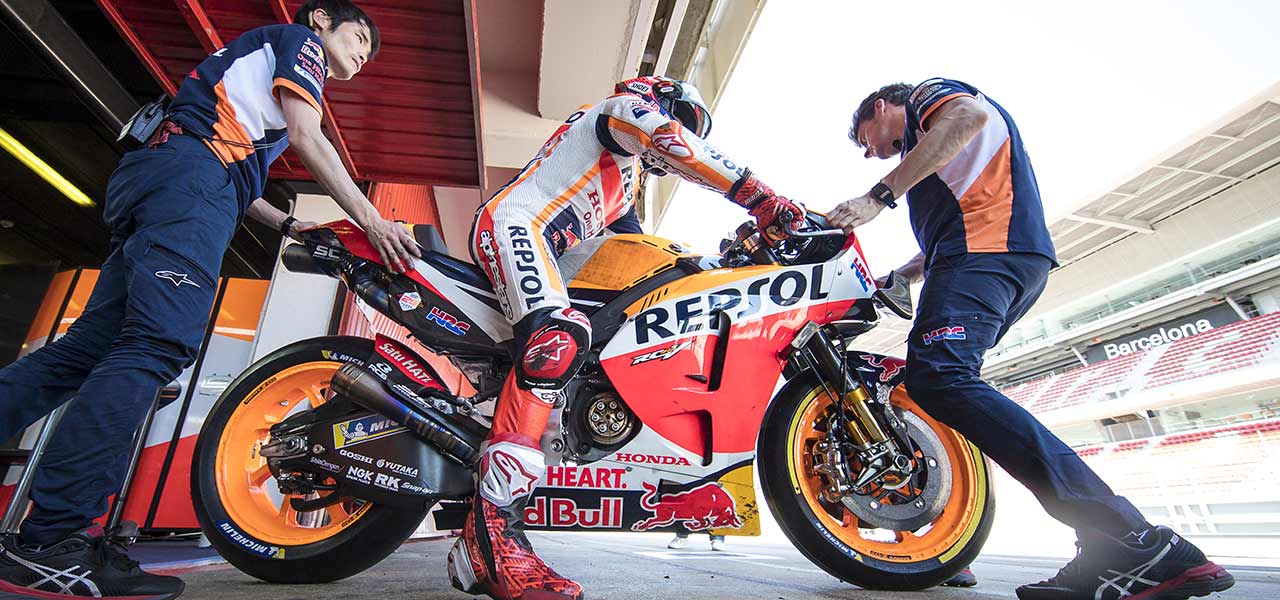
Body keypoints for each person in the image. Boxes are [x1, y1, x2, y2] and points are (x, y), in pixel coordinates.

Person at [0, 2, 417, 598]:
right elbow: (307, 135)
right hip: (189, 181)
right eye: (357, 39)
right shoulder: (300, 44)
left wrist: (285, 225)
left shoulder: (249, 89)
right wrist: (374, 221)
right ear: (322, 20)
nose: (360, 56)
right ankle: (51, 543)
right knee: (153, 346)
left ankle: (46, 538)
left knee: (81, 354)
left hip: (174, 175)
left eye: (368, 55)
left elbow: (233, 169)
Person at [831, 79, 1236, 600]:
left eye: (865, 139)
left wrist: (878, 197)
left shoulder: (932, 98)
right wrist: (907, 273)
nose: (870, 153)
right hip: (986, 256)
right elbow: (961, 208)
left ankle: (1134, 541)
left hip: (986, 255)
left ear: (882, 106)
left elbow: (966, 121)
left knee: (941, 379)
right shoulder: (931, 154)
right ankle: (1098, 549)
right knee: (935, 384)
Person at [447, 75, 802, 600]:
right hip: (518, 226)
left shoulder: (625, 183)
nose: (683, 134)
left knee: (586, 340)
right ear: (664, 101)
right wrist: (761, 199)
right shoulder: (621, 110)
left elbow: (641, 248)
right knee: (558, 339)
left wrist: (715, 265)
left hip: (545, 246)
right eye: (686, 120)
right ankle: (491, 535)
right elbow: (673, 142)